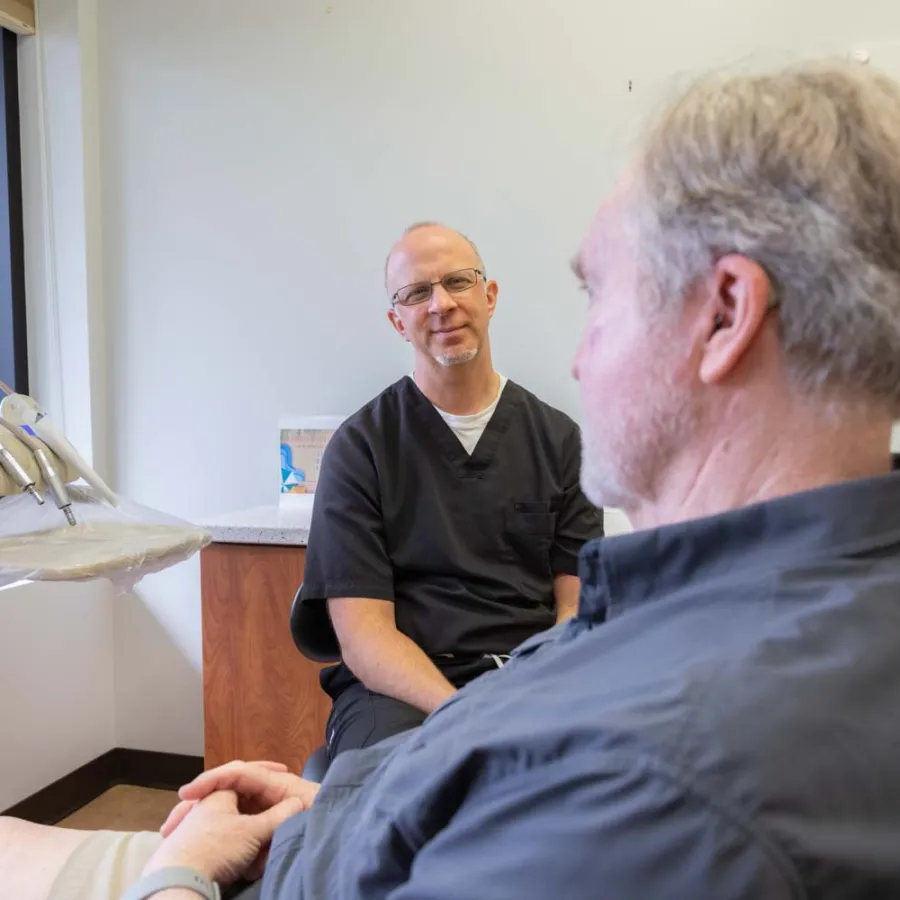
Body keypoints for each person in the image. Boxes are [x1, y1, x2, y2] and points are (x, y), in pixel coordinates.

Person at [6, 57, 900, 900]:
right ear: (397, 319)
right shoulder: (759, 614)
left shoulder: (664, 778)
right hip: (371, 790)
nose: (583, 359)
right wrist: (341, 803)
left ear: (727, 314)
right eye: (418, 293)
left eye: (602, 298)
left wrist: (181, 874)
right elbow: (391, 655)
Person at [299, 221, 604, 759]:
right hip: (401, 689)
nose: (441, 304)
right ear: (399, 321)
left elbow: (575, 613)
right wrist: (459, 712)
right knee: (403, 788)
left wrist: (527, 696)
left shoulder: (559, 441)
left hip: (529, 678)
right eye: (417, 293)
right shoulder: (361, 449)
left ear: (489, 297)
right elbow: (366, 639)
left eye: (458, 283)